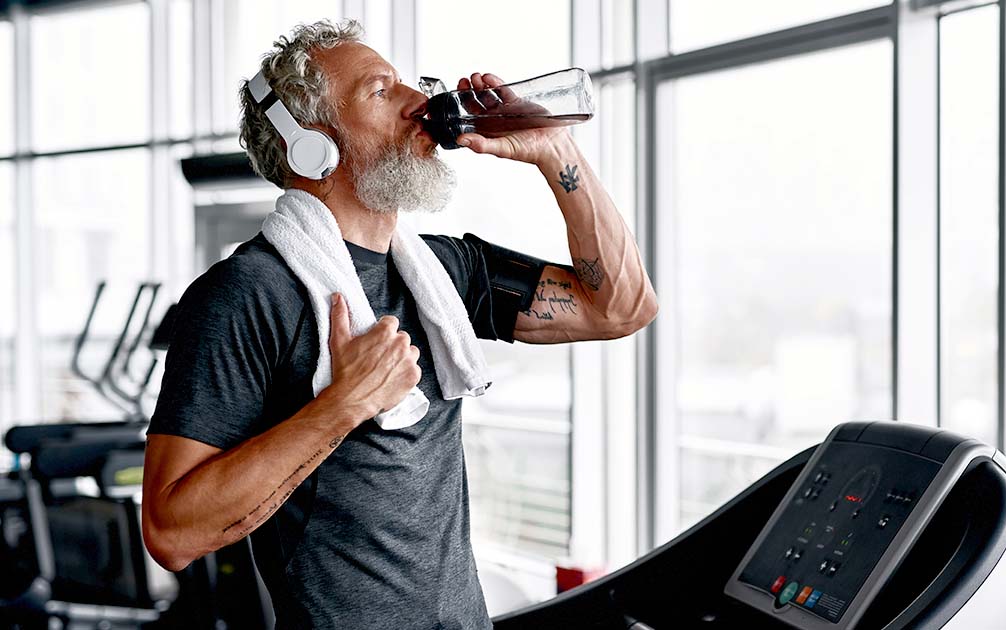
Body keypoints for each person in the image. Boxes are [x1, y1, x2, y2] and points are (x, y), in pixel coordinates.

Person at [140, 19, 656, 630]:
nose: (419, 103)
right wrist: (342, 405)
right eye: (381, 91)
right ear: (311, 144)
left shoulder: (443, 273)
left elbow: (621, 306)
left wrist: (554, 152)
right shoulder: (248, 293)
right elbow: (172, 531)